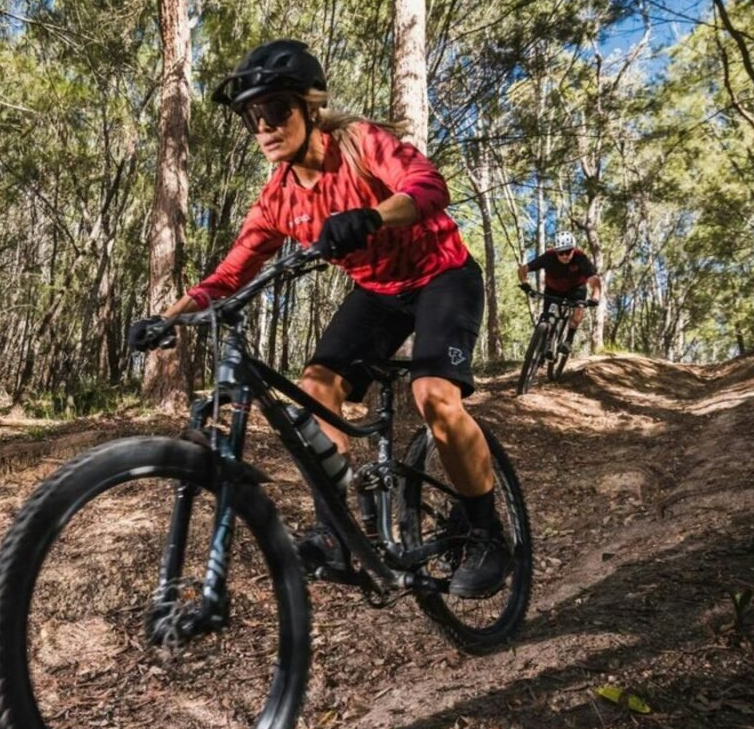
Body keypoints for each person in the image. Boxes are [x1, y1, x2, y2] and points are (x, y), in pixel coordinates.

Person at [127, 39, 507, 599]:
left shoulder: (357, 144)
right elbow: (231, 273)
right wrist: (170, 319)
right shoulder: (278, 199)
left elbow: (429, 186)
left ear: (310, 107)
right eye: (252, 117)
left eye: (276, 109)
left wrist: (372, 216)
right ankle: (338, 530)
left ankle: (487, 532)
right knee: (314, 387)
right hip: (378, 291)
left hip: (442, 275)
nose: (264, 126)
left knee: (433, 398)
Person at [518, 232, 602, 356]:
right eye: (560, 253)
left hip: (576, 288)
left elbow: (594, 281)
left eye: (568, 252)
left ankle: (568, 341)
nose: (564, 256)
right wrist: (525, 282)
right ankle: (546, 341)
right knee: (547, 316)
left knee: (579, 309)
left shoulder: (580, 258)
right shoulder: (549, 256)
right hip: (553, 288)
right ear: (556, 251)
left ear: (573, 250)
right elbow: (523, 269)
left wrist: (595, 297)